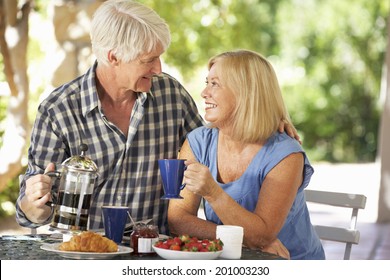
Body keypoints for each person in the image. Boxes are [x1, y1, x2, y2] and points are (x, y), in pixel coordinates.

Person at [15, 1, 296, 237]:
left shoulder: (170, 95)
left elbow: (215, 142)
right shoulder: (59, 110)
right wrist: (35, 202)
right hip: (87, 252)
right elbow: (29, 214)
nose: (159, 68)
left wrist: (270, 123)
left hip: (155, 252)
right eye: (149, 59)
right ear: (114, 57)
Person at [168, 50, 325, 259]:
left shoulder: (286, 155)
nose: (204, 92)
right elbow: (178, 219)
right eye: (207, 82)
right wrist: (239, 240)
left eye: (215, 84)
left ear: (246, 92)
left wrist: (213, 192)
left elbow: (261, 237)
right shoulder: (198, 142)